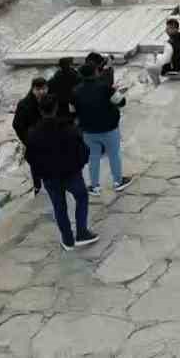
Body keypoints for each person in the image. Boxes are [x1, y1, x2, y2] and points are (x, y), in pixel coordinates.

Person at [24, 96, 98, 251]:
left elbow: (30, 158)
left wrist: (42, 173)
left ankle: (67, 239)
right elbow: (84, 151)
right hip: (71, 174)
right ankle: (82, 232)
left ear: (40, 110)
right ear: (56, 108)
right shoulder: (69, 129)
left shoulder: (33, 133)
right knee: (82, 197)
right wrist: (79, 165)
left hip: (50, 178)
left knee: (59, 207)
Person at [74, 63, 130, 195]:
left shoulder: (76, 91)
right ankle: (118, 181)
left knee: (93, 157)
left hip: (88, 131)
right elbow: (120, 102)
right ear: (95, 73)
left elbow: (73, 110)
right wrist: (118, 92)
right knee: (114, 155)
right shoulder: (104, 87)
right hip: (109, 128)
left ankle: (94, 186)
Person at [12, 78, 48, 195]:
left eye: (44, 88)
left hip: (48, 138)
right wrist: (27, 140)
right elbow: (17, 125)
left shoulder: (49, 100)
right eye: (38, 89)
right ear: (33, 89)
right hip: (33, 141)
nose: (42, 92)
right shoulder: (24, 104)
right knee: (36, 165)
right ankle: (37, 186)